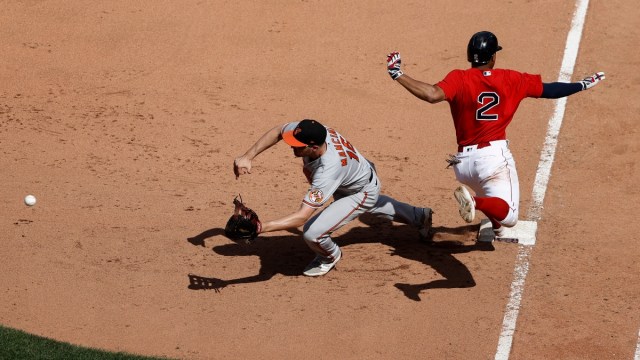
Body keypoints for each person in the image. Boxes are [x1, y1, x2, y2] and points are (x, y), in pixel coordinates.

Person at [386, 31, 605, 238]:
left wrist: (398, 74)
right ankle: (475, 203)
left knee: (496, 202)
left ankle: (496, 229)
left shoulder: (458, 78)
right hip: (492, 161)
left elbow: (432, 95)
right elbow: (551, 91)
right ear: (492, 57)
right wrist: (582, 84)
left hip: (463, 165)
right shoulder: (511, 78)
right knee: (510, 215)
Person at [233, 119, 433, 276]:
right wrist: (248, 156)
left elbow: (302, 217)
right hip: (357, 176)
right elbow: (279, 130)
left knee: (313, 233)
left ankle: (329, 256)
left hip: (359, 191)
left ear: (313, 147)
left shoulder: (328, 170)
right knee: (368, 204)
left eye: (297, 145)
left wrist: (262, 227)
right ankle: (418, 216)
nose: (291, 147)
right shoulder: (316, 131)